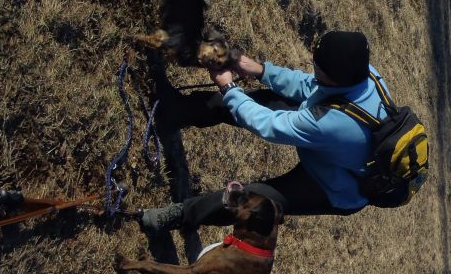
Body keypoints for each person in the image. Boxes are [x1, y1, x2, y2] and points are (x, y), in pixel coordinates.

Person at [139, 31, 389, 233]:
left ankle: (181, 215)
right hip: (336, 149)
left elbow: (267, 125)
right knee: (255, 100)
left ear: (338, 79)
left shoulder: (334, 123)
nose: (313, 70)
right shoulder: (364, 75)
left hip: (334, 186)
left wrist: (228, 87)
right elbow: (309, 85)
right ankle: (173, 111)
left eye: (318, 68)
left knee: (252, 200)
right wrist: (258, 70)